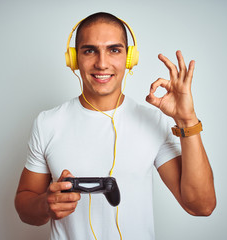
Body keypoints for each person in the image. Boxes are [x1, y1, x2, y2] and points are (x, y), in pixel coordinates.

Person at [15, 12, 216, 240]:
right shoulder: (48, 123)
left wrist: (187, 121)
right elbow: (24, 204)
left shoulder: (152, 121)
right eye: (89, 50)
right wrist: (44, 205)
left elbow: (201, 206)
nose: (102, 63)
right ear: (73, 59)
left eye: (114, 50)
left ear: (130, 58)